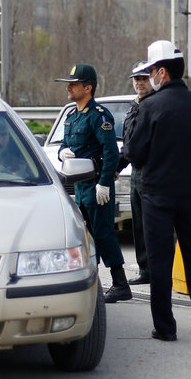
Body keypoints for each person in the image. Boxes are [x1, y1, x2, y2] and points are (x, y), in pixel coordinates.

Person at [122, 40, 191, 341]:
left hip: (157, 195)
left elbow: (134, 153)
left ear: (162, 72)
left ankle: (165, 327)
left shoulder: (149, 106)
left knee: (160, 261)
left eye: (151, 71)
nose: (149, 76)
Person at [55, 63, 130, 302]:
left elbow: (110, 151)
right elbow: (66, 145)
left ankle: (120, 284)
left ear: (88, 88)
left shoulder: (98, 115)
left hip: (96, 183)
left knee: (103, 233)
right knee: (86, 235)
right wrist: (62, 153)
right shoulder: (73, 115)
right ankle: (92, 282)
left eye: (74, 84)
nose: (69, 87)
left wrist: (105, 183)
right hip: (79, 185)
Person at [117, 61, 154, 286]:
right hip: (136, 173)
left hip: (152, 173)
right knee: (139, 225)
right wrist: (116, 168)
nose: (139, 83)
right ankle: (145, 270)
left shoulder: (153, 106)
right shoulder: (134, 106)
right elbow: (128, 144)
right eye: (136, 79)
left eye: (144, 78)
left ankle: (158, 269)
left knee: (153, 225)